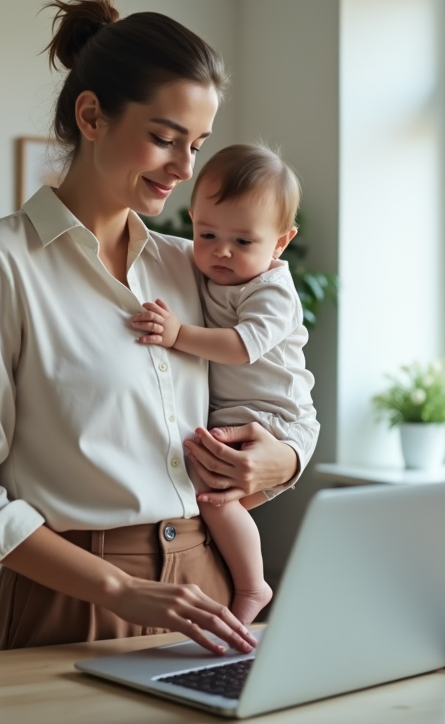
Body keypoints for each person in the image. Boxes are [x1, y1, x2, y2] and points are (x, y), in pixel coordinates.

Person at [0, 0, 319, 657]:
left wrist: (283, 460)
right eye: (165, 139)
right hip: (74, 596)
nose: (186, 170)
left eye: (197, 145)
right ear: (92, 116)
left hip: (208, 584)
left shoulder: (193, 266)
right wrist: (118, 588)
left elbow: (282, 382)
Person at [129, 144, 314, 625]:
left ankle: (254, 585)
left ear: (280, 242)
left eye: (244, 242)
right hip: (238, 415)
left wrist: (178, 336)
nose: (221, 251)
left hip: (269, 417)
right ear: (192, 218)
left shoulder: (271, 289)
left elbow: (240, 345)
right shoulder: (200, 267)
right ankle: (246, 582)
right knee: (214, 505)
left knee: (212, 502)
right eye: (207, 232)